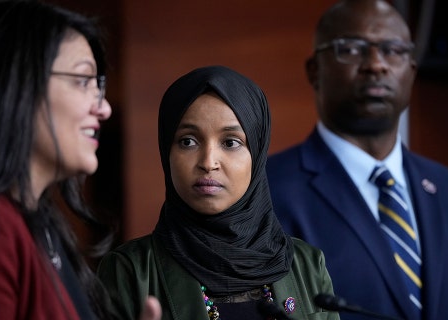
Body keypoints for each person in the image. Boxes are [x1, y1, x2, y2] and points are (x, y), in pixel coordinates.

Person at [0, 1, 161, 319]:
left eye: (97, 85)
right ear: (14, 84)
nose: (103, 109)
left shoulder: (35, 223)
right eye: (82, 81)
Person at [266, 0, 448, 319]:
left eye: (392, 50)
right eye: (352, 49)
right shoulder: (264, 195)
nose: (376, 64)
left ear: (411, 71)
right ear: (314, 70)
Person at [97, 65, 340, 320]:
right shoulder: (129, 271)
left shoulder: (308, 265)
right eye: (188, 141)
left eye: (230, 142)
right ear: (166, 151)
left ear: (256, 155)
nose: (208, 161)